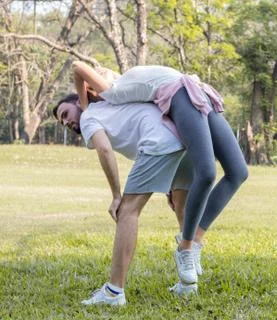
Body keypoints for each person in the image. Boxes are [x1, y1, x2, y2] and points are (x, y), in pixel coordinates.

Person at [71, 61, 249, 287]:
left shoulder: (114, 89)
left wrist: (84, 106)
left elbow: (78, 66)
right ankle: (186, 247)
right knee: (206, 173)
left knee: (238, 172)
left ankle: (193, 239)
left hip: (197, 91)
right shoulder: (117, 95)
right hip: (182, 95)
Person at [53, 94, 196, 305]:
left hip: (157, 142)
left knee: (127, 211)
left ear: (78, 102)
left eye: (65, 114)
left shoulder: (88, 116)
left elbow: (104, 149)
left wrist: (116, 196)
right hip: (183, 139)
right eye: (62, 122)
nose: (66, 122)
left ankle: (114, 292)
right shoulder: (111, 106)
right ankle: (188, 286)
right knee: (181, 207)